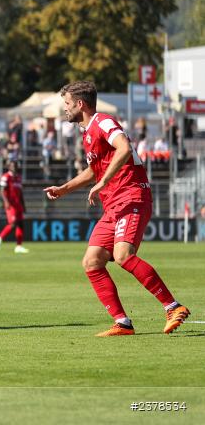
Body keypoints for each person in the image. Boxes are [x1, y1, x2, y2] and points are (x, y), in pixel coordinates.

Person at [44, 81, 189, 337]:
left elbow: (123, 147)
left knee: (122, 255)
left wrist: (103, 182)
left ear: (80, 104)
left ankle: (173, 306)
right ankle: (122, 322)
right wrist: (65, 188)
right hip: (113, 205)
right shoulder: (87, 131)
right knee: (92, 262)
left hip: (132, 197)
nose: (64, 109)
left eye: (67, 104)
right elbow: (94, 169)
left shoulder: (103, 122)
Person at [0, 160, 29, 253]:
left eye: (16, 165)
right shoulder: (6, 177)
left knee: (20, 224)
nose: (14, 167)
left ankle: (19, 246)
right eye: (13, 165)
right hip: (11, 204)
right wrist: (6, 202)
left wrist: (23, 205)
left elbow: (20, 193)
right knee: (13, 223)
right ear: (9, 167)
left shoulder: (18, 178)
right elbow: (2, 190)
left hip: (18, 204)